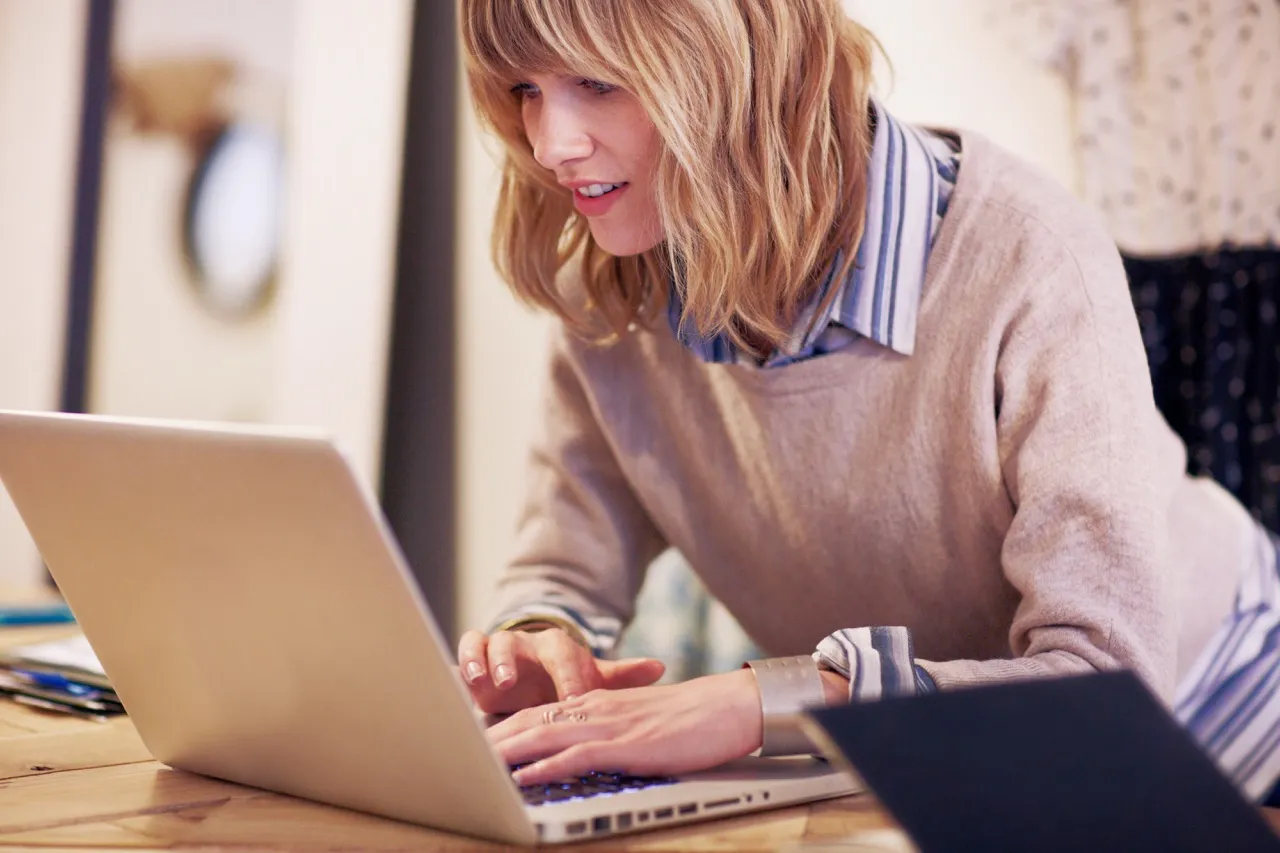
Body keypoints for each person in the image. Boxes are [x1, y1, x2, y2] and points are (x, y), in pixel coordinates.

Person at [452, 0, 1280, 803]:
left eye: (595, 81)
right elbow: (564, 563)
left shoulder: (1028, 256)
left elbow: (1106, 698)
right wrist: (535, 647)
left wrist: (768, 702)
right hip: (935, 763)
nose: (552, 144)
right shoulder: (614, 287)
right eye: (526, 89)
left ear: (742, 61)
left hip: (1222, 734)